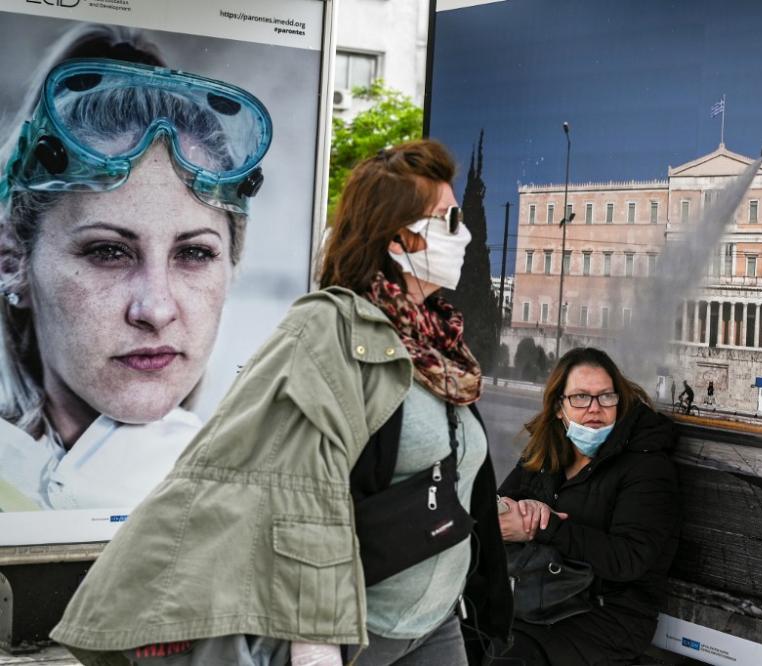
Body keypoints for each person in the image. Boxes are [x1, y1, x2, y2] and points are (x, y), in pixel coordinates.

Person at [52, 140, 513, 665]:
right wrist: (314, 644)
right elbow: (302, 491)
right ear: (399, 237)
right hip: (359, 628)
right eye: (448, 221)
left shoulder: (441, 345)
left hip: (435, 623)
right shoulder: (332, 328)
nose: (466, 235)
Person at [0, 24, 269, 511]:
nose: (157, 309)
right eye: (108, 251)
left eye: (194, 254)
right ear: (12, 261)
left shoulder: (254, 494)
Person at [496, 347, 680, 665]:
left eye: (605, 397)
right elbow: (501, 508)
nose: (594, 408)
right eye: (580, 397)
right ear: (558, 407)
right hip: (537, 596)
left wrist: (545, 526)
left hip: (607, 612)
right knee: (460, 638)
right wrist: (514, 512)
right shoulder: (544, 453)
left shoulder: (646, 465)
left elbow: (629, 559)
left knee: (508, 657)